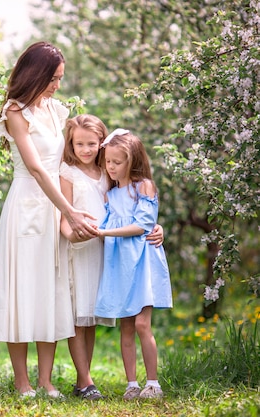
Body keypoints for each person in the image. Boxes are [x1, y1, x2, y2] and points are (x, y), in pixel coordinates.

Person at [0, 41, 99, 398]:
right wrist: (67, 210)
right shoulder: (15, 111)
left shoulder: (57, 109)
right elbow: (36, 167)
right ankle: (22, 382)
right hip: (27, 208)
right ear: (35, 75)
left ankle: (46, 381)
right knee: (22, 290)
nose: (56, 86)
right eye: (52, 78)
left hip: (57, 206)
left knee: (52, 291)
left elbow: (74, 158)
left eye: (60, 78)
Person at [59, 116, 165, 401]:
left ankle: (149, 382)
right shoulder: (86, 179)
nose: (87, 149)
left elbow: (140, 219)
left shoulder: (124, 182)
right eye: (79, 143)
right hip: (104, 256)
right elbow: (68, 217)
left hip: (128, 258)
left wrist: (157, 227)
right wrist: (80, 233)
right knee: (98, 321)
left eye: (92, 144)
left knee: (123, 322)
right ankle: (108, 382)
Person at [94, 129, 173, 400]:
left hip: (143, 264)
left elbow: (142, 224)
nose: (111, 167)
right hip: (121, 266)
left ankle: (153, 383)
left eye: (117, 162)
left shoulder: (144, 187)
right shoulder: (110, 195)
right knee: (126, 326)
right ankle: (132, 384)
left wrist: (105, 234)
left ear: (132, 160)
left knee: (142, 324)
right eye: (108, 162)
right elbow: (104, 223)